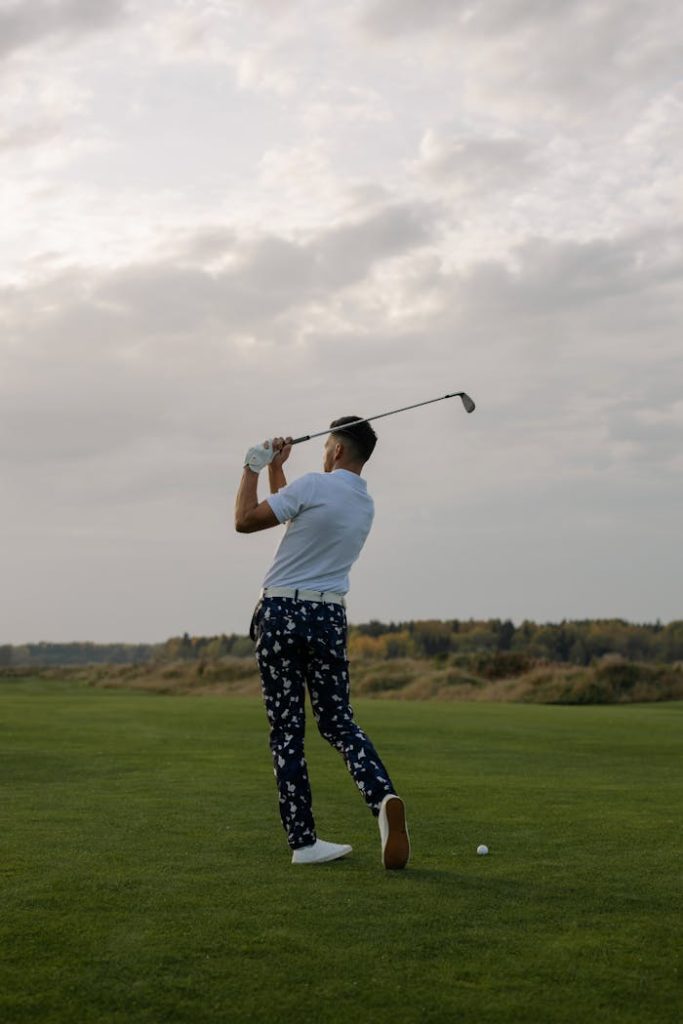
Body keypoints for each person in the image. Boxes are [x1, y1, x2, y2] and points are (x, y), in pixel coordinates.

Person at [234, 417, 410, 868]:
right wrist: (280, 469)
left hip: (281, 613)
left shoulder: (314, 484)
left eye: (327, 445)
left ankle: (304, 841)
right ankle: (381, 796)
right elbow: (293, 510)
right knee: (338, 723)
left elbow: (246, 521)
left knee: (288, 731)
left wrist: (252, 467)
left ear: (335, 451)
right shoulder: (363, 504)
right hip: (328, 616)